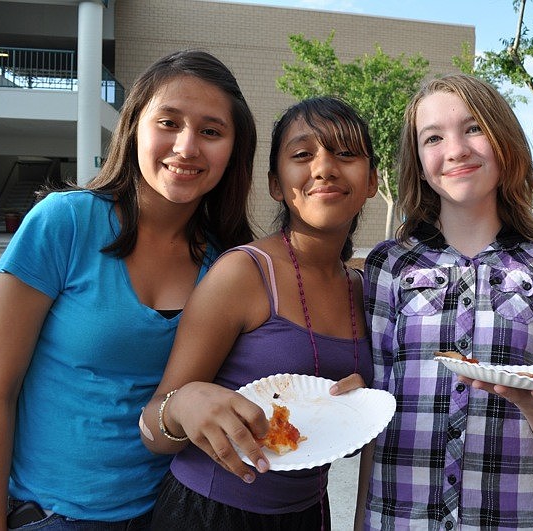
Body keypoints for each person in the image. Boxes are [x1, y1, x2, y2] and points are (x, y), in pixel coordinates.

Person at [0, 49, 257, 530]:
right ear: (134, 128)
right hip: (51, 516)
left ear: (234, 151)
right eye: (168, 123)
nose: (187, 147)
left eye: (211, 132)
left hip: (172, 513)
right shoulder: (64, 222)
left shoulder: (228, 265)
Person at [140, 96, 378, 530]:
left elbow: (344, 439)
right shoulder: (243, 273)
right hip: (208, 514)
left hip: (309, 514)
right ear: (275, 184)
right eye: (302, 154)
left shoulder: (365, 290)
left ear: (372, 181)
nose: (324, 168)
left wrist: (354, 413)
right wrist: (183, 405)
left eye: (346, 153)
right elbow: (154, 430)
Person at [360, 74, 533, 529]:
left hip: (512, 519)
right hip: (401, 518)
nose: (456, 149)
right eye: (433, 138)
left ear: (503, 142)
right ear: (419, 163)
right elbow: (373, 413)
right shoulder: (389, 266)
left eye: (473, 128)